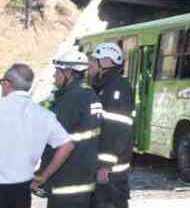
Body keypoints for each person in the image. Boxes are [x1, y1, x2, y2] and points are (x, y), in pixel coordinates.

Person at [0, 64, 74, 208]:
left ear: (7, 83)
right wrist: (43, 176)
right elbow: (67, 145)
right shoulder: (44, 115)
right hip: (22, 189)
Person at [39, 50, 102, 208]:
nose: (54, 76)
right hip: (83, 178)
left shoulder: (71, 99)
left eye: (57, 72)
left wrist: (42, 175)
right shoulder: (89, 94)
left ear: (68, 72)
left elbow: (57, 142)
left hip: (66, 180)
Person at [88, 43, 134, 208]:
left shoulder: (117, 87)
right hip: (102, 166)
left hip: (111, 171)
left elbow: (118, 129)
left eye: (94, 60)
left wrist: (106, 165)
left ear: (107, 61)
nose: (90, 64)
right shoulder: (102, 86)